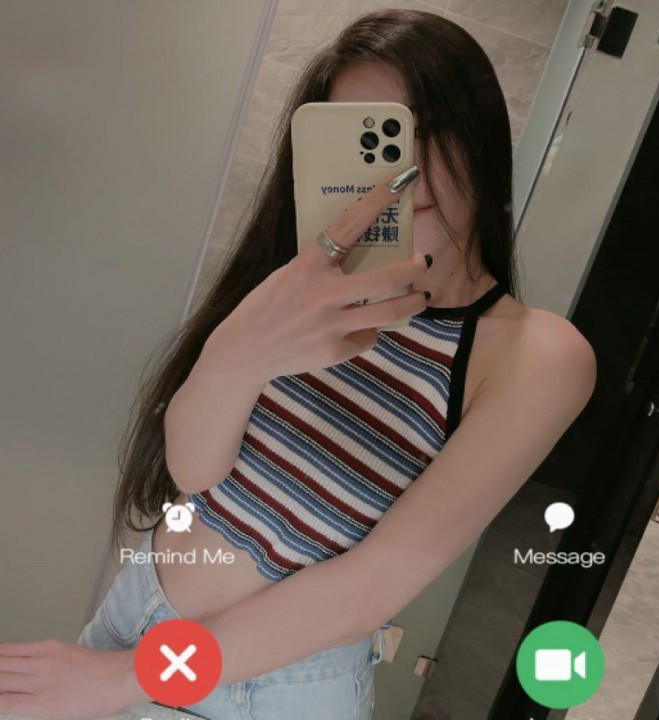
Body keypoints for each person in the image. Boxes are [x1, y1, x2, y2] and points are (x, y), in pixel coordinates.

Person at [0, 9, 596, 720]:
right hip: (139, 612)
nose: (399, 169)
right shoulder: (306, 288)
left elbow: (371, 587)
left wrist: (119, 680)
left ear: (481, 136)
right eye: (365, 139)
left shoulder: (534, 354)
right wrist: (241, 347)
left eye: (424, 128)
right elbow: (195, 473)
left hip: (263, 689)